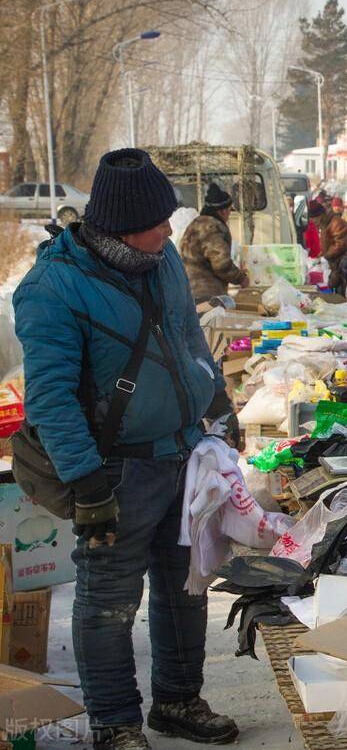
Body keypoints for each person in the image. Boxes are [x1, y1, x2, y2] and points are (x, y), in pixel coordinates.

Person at [14, 149, 239, 750]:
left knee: (185, 588)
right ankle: (115, 723)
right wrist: (87, 483)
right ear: (120, 227)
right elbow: (50, 398)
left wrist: (219, 405)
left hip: (183, 455)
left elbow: (189, 338)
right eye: (158, 221)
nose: (170, 230)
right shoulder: (52, 288)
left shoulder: (162, 260)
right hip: (114, 469)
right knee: (108, 603)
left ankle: (177, 700)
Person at [180, 182, 248, 304]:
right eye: (229, 210)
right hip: (205, 292)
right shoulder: (211, 228)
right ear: (222, 211)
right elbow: (221, 264)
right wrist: (241, 278)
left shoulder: (196, 224)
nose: (229, 214)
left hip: (189, 288)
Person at [319, 200, 347, 291]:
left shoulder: (336, 223)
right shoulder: (325, 223)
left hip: (340, 263)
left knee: (340, 289)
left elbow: (341, 244)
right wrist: (321, 254)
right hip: (334, 263)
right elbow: (328, 241)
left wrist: (326, 256)